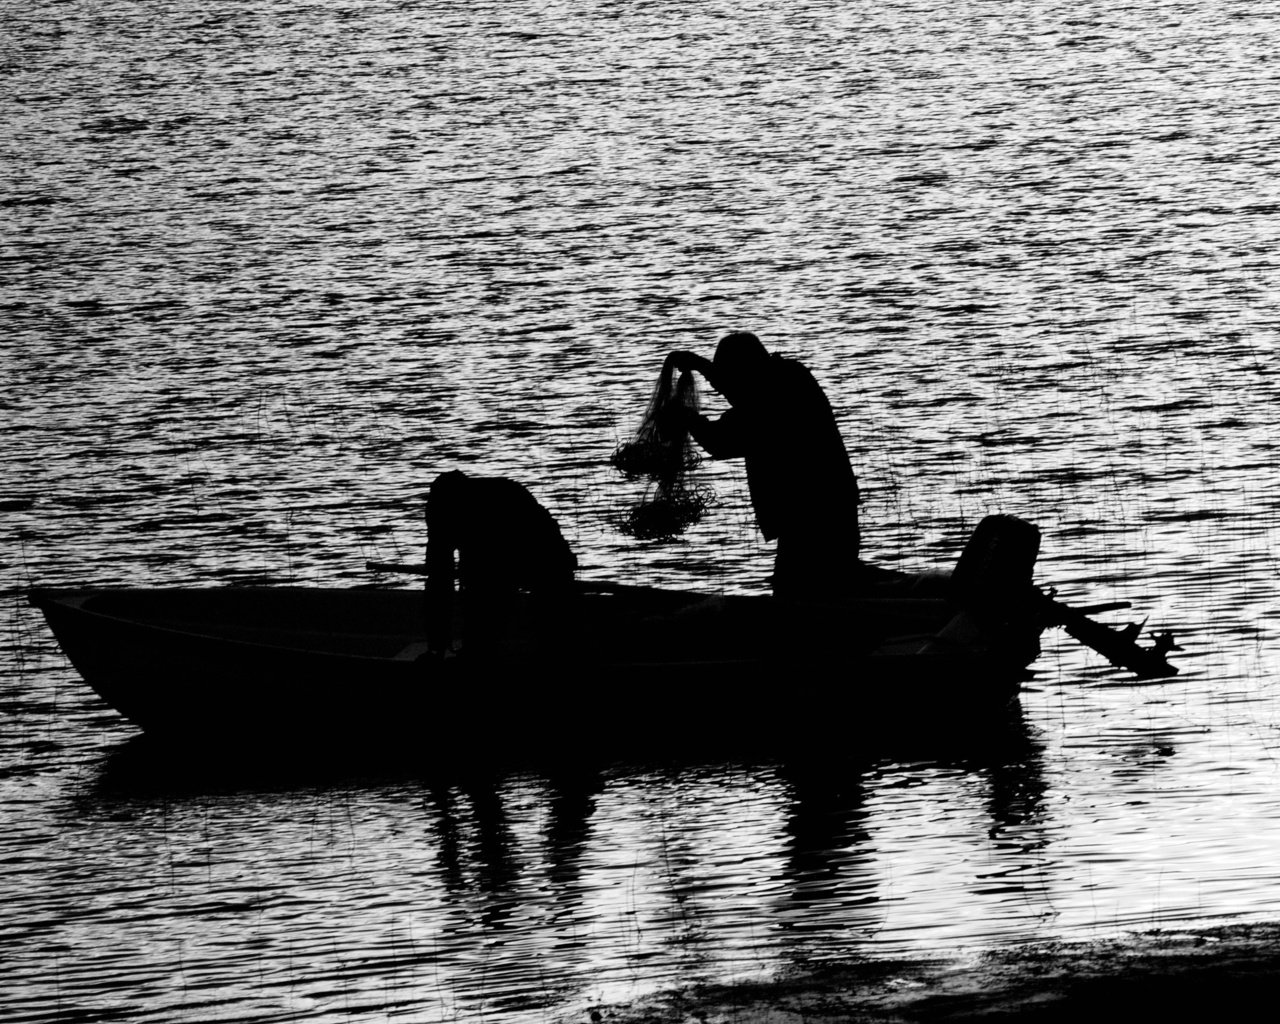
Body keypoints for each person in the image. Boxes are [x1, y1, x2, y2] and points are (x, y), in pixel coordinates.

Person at [665, 331, 862, 599]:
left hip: (810, 516)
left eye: (725, 377)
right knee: (830, 585)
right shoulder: (788, 375)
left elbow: (721, 442)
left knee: (798, 592)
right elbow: (741, 387)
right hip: (831, 506)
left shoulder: (767, 400)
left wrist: (687, 417)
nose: (718, 388)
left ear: (744, 369)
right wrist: (699, 364)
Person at [425, 470, 577, 655]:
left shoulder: (490, 507)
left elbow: (478, 582)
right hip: (508, 560)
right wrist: (437, 645)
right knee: (478, 592)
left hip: (545, 559)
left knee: (488, 597)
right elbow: (439, 576)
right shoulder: (440, 510)